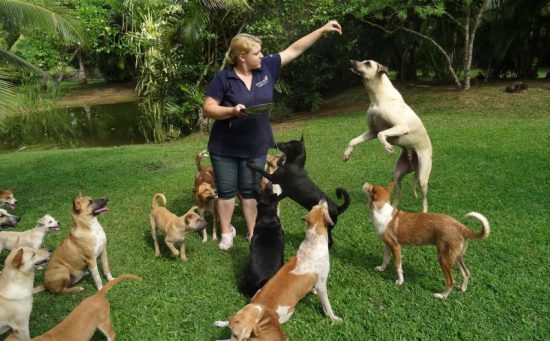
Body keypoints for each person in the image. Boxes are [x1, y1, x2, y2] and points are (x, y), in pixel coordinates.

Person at [202, 20, 343, 250]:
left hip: (256, 145)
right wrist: (230, 111)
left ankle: (251, 232)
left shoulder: (266, 67)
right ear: (242, 57)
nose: (261, 55)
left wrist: (322, 29)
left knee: (250, 191)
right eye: (256, 52)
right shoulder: (223, 79)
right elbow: (208, 108)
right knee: (227, 192)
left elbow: (294, 49)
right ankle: (226, 232)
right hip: (224, 148)